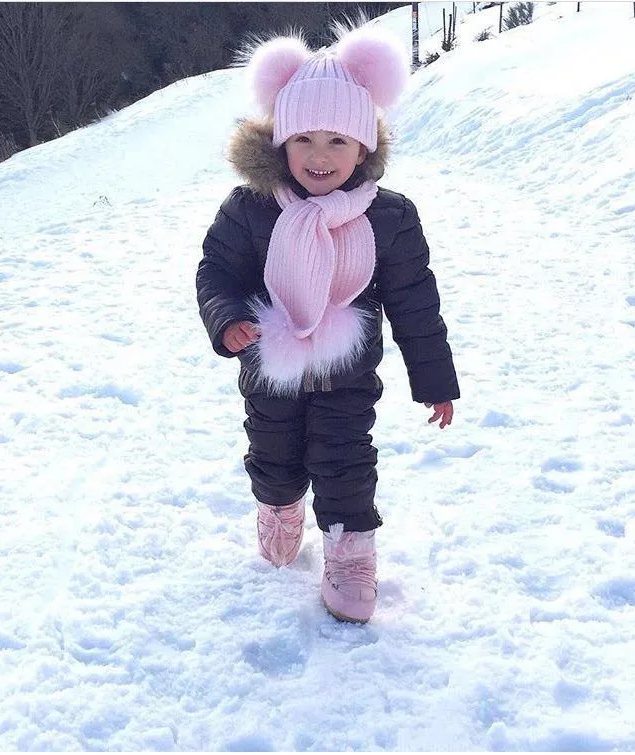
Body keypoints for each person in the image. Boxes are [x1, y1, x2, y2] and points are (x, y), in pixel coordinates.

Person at [196, 24, 460, 624]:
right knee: (274, 455)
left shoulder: (390, 218)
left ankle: (350, 553)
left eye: (338, 140)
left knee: (346, 464)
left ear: (364, 148)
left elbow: (416, 300)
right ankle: (280, 506)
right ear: (279, 144)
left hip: (347, 377)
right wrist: (229, 318)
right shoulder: (251, 208)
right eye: (305, 139)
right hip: (270, 374)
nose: (320, 157)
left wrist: (435, 379)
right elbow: (216, 272)